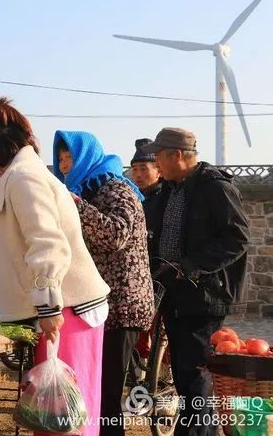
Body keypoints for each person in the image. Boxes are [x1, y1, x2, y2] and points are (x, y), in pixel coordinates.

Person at [0, 97, 110, 436]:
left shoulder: (25, 178)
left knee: (66, 418)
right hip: (60, 309)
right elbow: (18, 245)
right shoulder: (22, 176)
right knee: (55, 416)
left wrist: (47, 304)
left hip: (66, 310)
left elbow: (46, 242)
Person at [141, 128, 249, 436]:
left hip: (203, 295)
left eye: (159, 156)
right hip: (174, 292)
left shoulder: (215, 188)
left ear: (177, 155)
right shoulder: (168, 189)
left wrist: (193, 266)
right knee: (185, 375)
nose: (155, 163)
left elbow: (237, 238)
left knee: (193, 375)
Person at [53, 131, 154, 436]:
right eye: (60, 159)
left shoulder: (115, 189)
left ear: (86, 156)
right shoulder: (88, 190)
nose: (64, 165)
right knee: (97, 389)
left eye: (69, 157)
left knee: (108, 393)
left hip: (124, 304)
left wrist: (77, 206)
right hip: (100, 304)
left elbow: (116, 235)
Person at [130, 138, 164, 270]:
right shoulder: (133, 198)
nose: (138, 175)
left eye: (143, 169)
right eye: (135, 169)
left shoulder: (166, 198)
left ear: (159, 171)